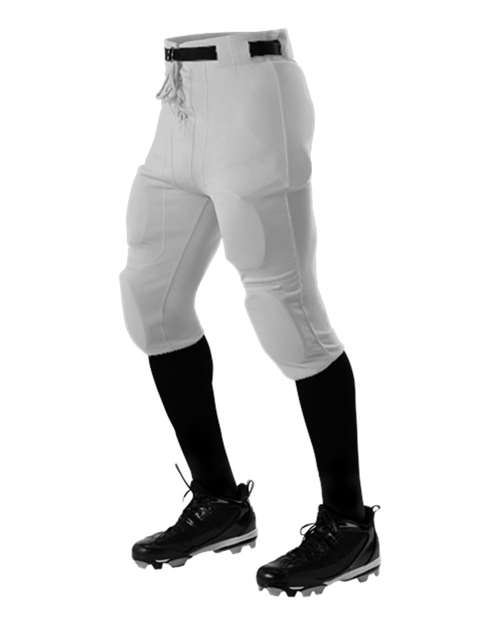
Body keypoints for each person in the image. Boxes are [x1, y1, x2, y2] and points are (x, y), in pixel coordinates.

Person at [119, 29, 380, 597]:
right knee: (151, 302)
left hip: (252, 97)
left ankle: (349, 526)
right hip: (180, 97)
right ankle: (219, 502)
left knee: (286, 313)